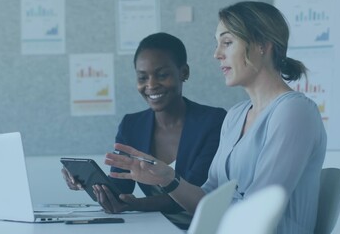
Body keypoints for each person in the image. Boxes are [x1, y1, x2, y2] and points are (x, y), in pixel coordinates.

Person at [105, 1, 327, 234]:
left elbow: (256, 211)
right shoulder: (235, 115)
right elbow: (209, 197)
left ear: (262, 45)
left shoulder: (294, 112)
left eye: (227, 43)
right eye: (217, 44)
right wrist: (168, 179)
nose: (217, 54)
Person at [62, 32, 226, 229]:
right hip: (155, 226)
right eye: (142, 77)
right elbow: (121, 188)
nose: (151, 85)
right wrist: (89, 183)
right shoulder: (132, 125)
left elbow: (196, 192)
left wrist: (135, 205)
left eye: (162, 75)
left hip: (204, 227)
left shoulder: (213, 121)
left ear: (184, 72)